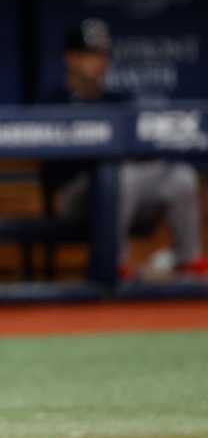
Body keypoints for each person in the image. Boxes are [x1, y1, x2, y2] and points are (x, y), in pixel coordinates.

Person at [41, 19, 207, 280]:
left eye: (100, 54)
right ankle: (112, 266)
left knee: (180, 177)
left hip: (123, 188)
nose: (97, 62)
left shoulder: (117, 101)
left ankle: (189, 263)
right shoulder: (54, 102)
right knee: (118, 177)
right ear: (71, 59)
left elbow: (144, 148)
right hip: (74, 195)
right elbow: (53, 165)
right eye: (89, 54)